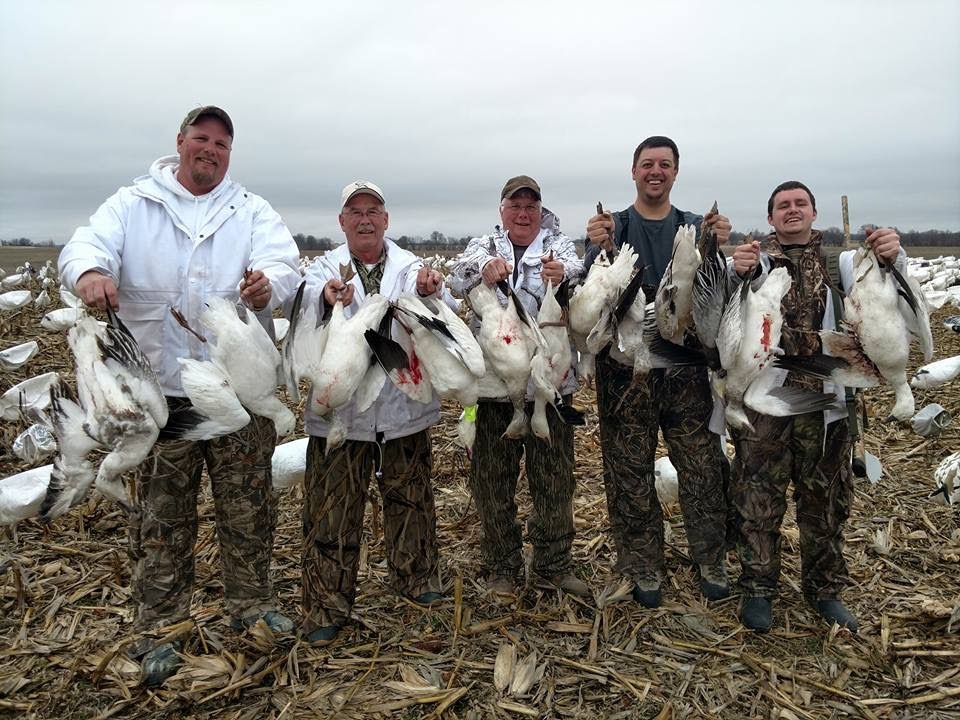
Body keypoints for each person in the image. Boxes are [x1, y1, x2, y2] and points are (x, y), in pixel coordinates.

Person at [58, 106, 302, 685]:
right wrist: (90, 271)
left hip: (239, 399)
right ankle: (160, 627)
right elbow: (84, 245)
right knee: (162, 520)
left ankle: (251, 609)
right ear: (180, 143)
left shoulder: (250, 209)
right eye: (202, 138)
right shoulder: (134, 204)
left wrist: (269, 284)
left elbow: (285, 266)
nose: (211, 150)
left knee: (249, 513)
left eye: (221, 142)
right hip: (160, 400)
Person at [727, 180, 903, 633]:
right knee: (757, 498)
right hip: (768, 401)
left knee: (825, 500)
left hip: (829, 402)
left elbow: (887, 287)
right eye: (782, 206)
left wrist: (890, 253)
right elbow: (729, 309)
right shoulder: (758, 263)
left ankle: (824, 590)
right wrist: (735, 269)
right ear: (770, 218)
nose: (792, 210)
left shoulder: (842, 263)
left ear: (813, 212)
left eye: (800, 204)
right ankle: (759, 589)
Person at [584, 136, 733, 607]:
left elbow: (718, 295)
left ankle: (711, 557)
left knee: (702, 466)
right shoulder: (615, 227)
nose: (655, 171)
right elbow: (590, 292)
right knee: (628, 471)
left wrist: (717, 245)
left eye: (664, 165)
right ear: (633, 172)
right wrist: (595, 247)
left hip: (685, 371)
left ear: (675, 172)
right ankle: (642, 564)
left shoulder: (693, 226)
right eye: (647, 164)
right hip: (625, 374)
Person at [299, 180, 447, 646]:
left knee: (413, 501)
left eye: (374, 210)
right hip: (342, 416)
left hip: (403, 409)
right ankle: (326, 602)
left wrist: (430, 292)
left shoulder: (411, 267)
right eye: (355, 211)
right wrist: (325, 298)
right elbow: (300, 311)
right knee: (331, 510)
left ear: (386, 220)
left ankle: (417, 580)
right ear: (342, 222)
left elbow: (445, 315)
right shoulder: (322, 269)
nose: (365, 218)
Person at [448, 175, 589, 600]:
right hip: (493, 387)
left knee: (554, 480)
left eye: (531, 206)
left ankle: (552, 565)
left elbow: (582, 277)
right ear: (502, 210)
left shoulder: (559, 245)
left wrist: (564, 275)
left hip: (550, 384)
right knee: (492, 482)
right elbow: (458, 279)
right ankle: (502, 566)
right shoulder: (483, 245)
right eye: (515, 205)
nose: (523, 213)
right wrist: (481, 272)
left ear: (540, 210)